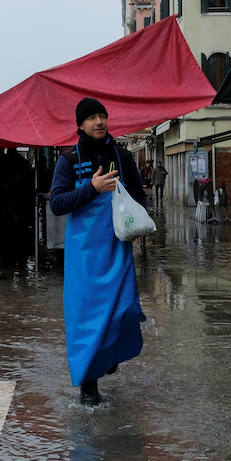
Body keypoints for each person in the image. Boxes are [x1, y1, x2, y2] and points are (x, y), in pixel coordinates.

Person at [49, 97, 148, 406]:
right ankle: (88, 386)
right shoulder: (68, 160)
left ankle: (112, 354)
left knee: (125, 309)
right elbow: (57, 203)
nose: (99, 121)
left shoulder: (123, 156)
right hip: (84, 257)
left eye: (102, 115)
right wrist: (92, 188)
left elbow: (139, 197)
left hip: (117, 247)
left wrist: (136, 226)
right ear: (80, 124)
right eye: (91, 117)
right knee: (86, 319)